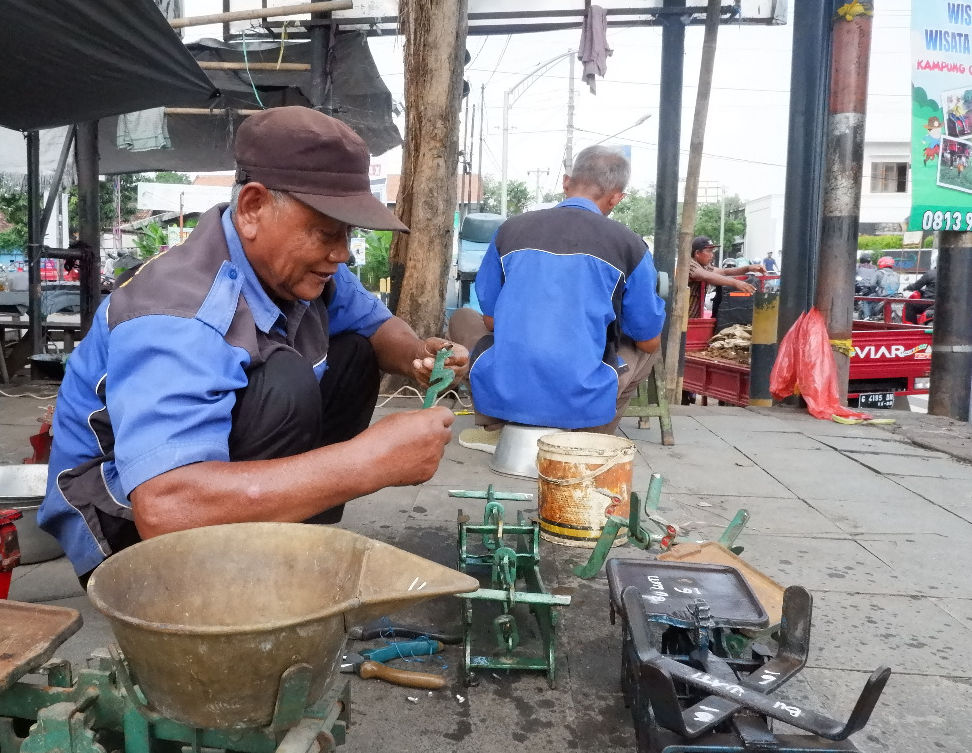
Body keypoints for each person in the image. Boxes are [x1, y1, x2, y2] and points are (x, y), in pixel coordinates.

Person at [37, 107, 470, 580]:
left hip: (186, 499)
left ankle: (287, 545)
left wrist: (417, 357)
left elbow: (375, 325)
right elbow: (166, 509)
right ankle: (226, 582)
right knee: (283, 381)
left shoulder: (303, 270)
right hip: (123, 532)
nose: (341, 252)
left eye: (348, 232)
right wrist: (369, 462)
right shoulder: (178, 314)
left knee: (353, 356)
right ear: (252, 208)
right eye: (326, 231)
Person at [447, 146, 665, 446]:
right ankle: (593, 437)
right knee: (649, 347)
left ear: (566, 182)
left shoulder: (510, 231)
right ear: (616, 197)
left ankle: (495, 426)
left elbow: (492, 321)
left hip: (508, 386)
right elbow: (648, 340)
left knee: (462, 318)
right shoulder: (630, 245)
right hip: (580, 392)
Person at [687, 236, 764, 317]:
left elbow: (724, 271)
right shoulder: (689, 264)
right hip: (681, 320)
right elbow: (706, 275)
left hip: (693, 317)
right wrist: (736, 283)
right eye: (709, 251)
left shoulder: (704, 266)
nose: (712, 255)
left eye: (712, 251)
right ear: (697, 253)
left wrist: (748, 268)